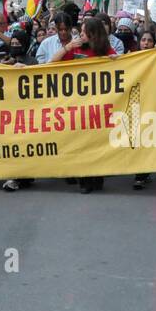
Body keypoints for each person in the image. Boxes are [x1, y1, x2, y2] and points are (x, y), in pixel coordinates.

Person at [51, 14, 116, 193]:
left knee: (96, 143)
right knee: (81, 143)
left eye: (85, 33)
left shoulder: (106, 50)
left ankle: (97, 177)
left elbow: (122, 67)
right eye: (81, 33)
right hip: (78, 105)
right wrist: (67, 48)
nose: (81, 36)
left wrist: (114, 61)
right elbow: (52, 62)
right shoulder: (75, 48)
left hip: (99, 105)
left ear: (94, 34)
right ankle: (85, 180)